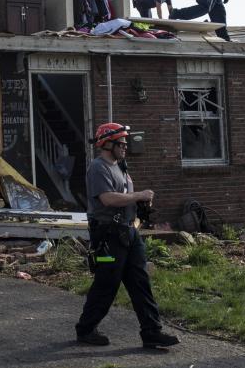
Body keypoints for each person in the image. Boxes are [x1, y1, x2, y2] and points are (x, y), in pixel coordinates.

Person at [75, 123, 179, 349]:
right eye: (120, 143)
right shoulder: (98, 168)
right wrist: (138, 195)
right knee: (106, 283)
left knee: (141, 282)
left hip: (128, 233)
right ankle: (86, 329)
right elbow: (107, 199)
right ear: (107, 143)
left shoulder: (121, 167)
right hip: (108, 237)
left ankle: (152, 332)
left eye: (125, 143)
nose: (125, 147)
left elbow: (125, 195)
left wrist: (141, 201)